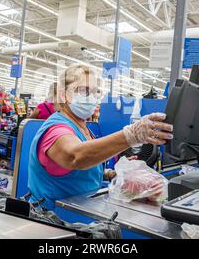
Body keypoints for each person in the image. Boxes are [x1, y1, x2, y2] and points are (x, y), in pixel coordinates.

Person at [28, 65, 173, 210]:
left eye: (95, 92)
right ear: (62, 95)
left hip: (78, 213)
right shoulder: (56, 128)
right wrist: (131, 135)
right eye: (83, 91)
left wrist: (114, 174)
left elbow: (78, 172)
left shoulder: (82, 128)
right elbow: (75, 157)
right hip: (53, 219)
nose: (90, 97)